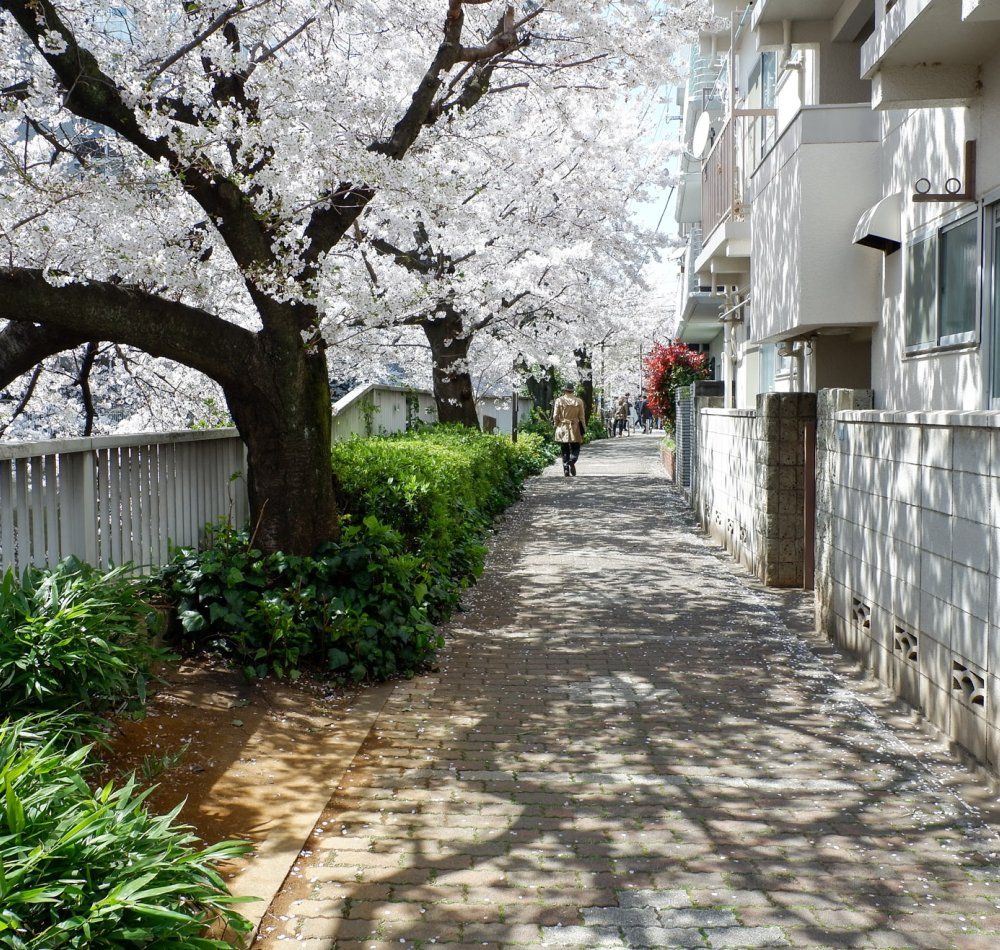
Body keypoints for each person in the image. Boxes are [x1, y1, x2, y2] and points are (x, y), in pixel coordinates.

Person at [552, 383, 586, 476]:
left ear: (564, 390)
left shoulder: (559, 400)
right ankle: (572, 460)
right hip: (575, 426)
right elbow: (582, 416)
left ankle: (566, 468)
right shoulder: (579, 401)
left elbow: (555, 415)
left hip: (563, 425)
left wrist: (556, 424)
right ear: (572, 391)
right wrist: (584, 427)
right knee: (576, 447)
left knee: (564, 448)